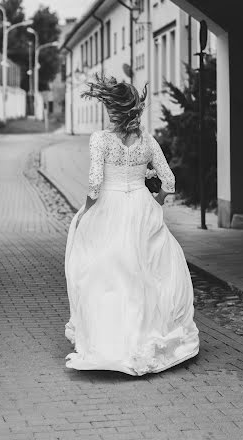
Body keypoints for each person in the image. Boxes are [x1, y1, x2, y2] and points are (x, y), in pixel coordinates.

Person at [64, 73, 199, 376]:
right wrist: (158, 201)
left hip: (108, 209)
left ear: (113, 110)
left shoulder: (100, 140)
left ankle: (109, 337)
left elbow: (95, 183)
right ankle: (145, 336)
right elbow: (169, 180)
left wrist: (85, 212)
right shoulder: (148, 142)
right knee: (147, 273)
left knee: (102, 271)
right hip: (142, 207)